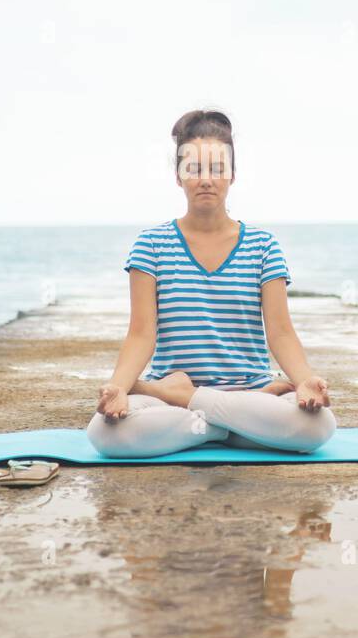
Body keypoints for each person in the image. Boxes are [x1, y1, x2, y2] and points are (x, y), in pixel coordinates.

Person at [86, 108, 337, 458]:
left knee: (318, 425)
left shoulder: (263, 245)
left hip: (241, 390)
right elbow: (141, 333)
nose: (206, 179)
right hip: (226, 401)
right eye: (194, 168)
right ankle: (238, 428)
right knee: (106, 434)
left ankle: (190, 404)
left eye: (217, 169)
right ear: (178, 176)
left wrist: (305, 380)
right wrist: (120, 387)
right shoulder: (151, 245)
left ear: (232, 175)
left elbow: (280, 332)